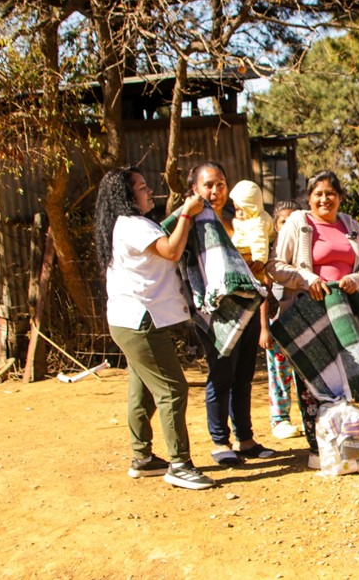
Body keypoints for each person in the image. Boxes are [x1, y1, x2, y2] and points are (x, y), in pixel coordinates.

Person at [94, 166, 214, 490]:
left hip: (128, 321)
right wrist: (186, 214)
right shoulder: (133, 225)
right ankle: (180, 464)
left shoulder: (127, 225)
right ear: (126, 195)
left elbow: (161, 234)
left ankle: (143, 457)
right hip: (142, 322)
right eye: (142, 187)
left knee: (143, 389)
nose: (149, 191)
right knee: (172, 390)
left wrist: (181, 213)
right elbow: (171, 250)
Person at [268, 171, 359, 469]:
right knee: (312, 385)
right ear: (309, 198)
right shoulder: (298, 223)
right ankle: (318, 449)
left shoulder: (351, 226)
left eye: (330, 193)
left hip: (345, 315)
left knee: (343, 381)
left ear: (340, 197)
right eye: (318, 194)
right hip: (307, 314)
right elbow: (275, 266)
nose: (324, 199)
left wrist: (357, 279)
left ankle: (346, 443)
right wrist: (307, 280)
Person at [186, 162, 273, 466]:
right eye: (208, 185)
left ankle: (245, 439)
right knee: (221, 375)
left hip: (247, 307)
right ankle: (220, 441)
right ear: (195, 189)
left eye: (220, 184)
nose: (215, 191)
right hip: (216, 313)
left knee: (244, 375)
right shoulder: (192, 224)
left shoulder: (239, 220)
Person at [263, 199, 304, 439]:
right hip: (277, 318)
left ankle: (309, 415)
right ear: (276, 225)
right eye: (283, 221)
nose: (289, 225)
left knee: (306, 369)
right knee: (279, 369)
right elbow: (263, 292)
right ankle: (280, 418)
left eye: (293, 220)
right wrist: (264, 328)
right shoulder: (269, 251)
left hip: (304, 317)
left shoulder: (307, 249)